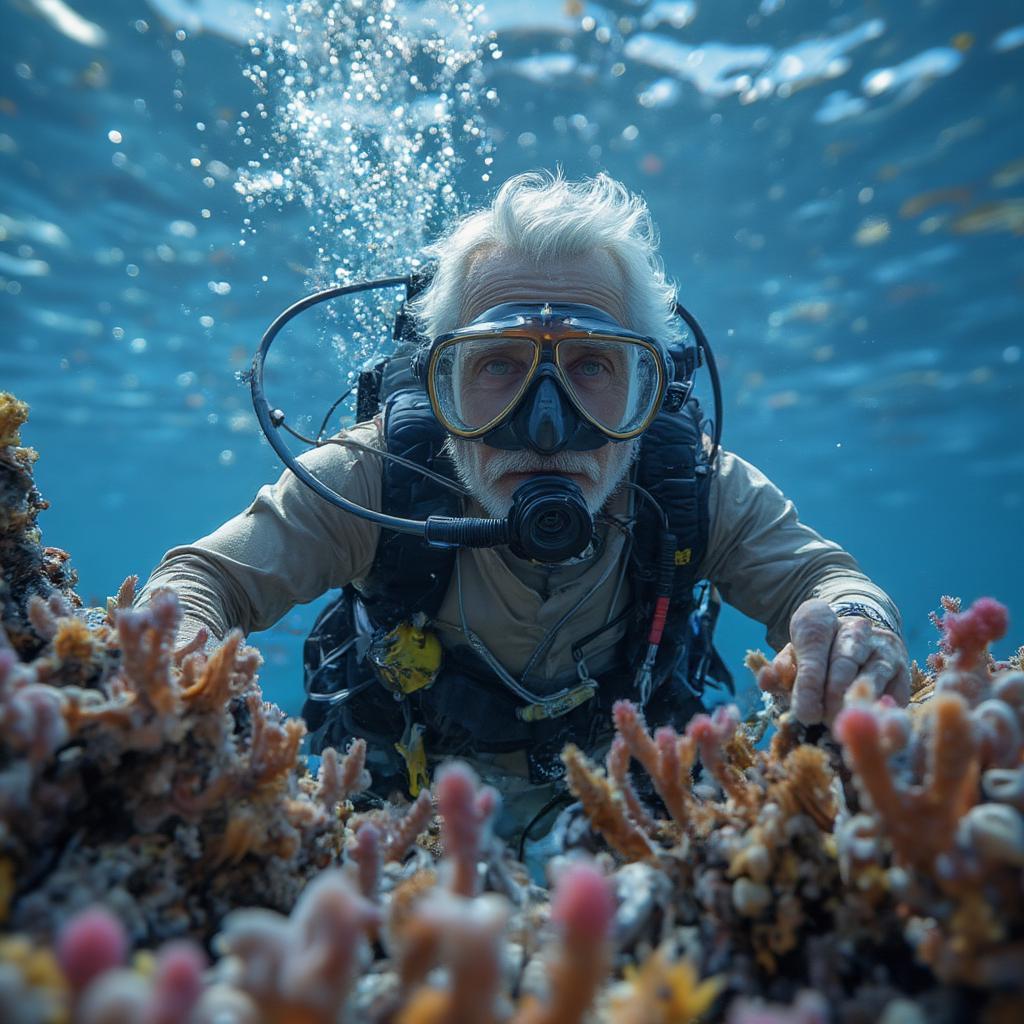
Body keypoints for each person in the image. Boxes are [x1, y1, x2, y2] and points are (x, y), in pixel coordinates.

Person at [139, 172, 909, 839]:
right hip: (399, 802)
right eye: (498, 364)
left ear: (651, 387)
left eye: (595, 365)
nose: (547, 425)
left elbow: (828, 584)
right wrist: (177, 644)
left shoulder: (690, 482)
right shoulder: (375, 473)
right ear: (439, 387)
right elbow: (206, 578)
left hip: (627, 799)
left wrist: (855, 629)